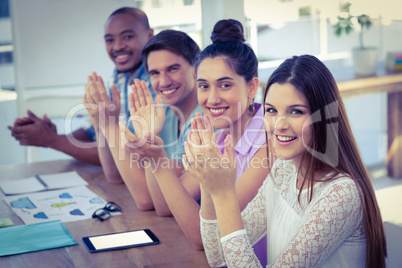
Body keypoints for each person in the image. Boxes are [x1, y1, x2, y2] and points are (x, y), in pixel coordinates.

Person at [184, 54, 387, 267]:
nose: (279, 125)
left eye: (296, 112)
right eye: (271, 110)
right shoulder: (283, 170)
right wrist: (208, 182)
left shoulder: (341, 194)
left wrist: (224, 194)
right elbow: (217, 256)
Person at [119, 20, 270, 262]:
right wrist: (151, 141)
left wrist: (158, 162)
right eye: (204, 86)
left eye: (225, 85)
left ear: (251, 87)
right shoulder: (218, 135)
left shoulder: (269, 142)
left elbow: (205, 238)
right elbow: (165, 206)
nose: (212, 99)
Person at [7, 7, 153, 166]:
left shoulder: (155, 81)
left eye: (127, 36)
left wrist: (52, 140)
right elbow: (92, 131)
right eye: (109, 40)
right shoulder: (120, 76)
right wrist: (53, 136)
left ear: (149, 35)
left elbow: (126, 155)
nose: (117, 47)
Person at [83, 29, 203, 214]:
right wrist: (102, 126)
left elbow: (149, 201)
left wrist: (111, 127)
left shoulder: (203, 119)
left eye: (173, 69)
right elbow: (115, 175)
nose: (164, 82)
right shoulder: (160, 109)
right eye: (155, 73)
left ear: (196, 69)